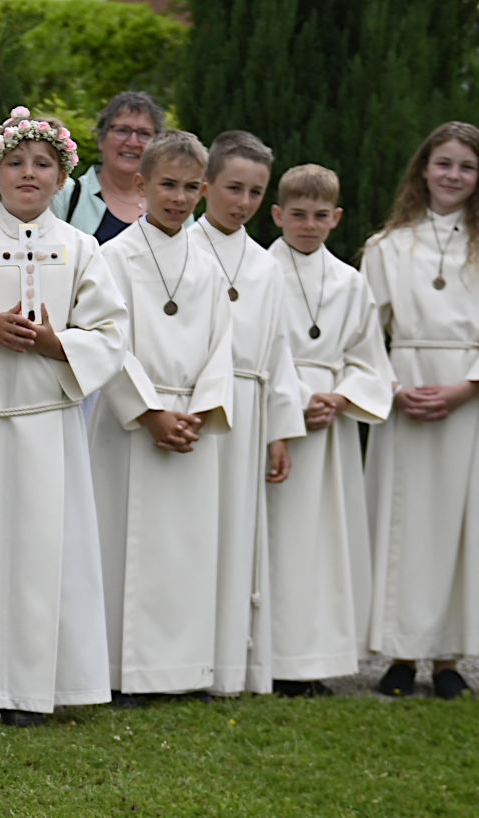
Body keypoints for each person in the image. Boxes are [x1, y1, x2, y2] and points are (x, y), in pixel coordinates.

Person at [0, 107, 125, 727]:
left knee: (44, 558)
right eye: (15, 162)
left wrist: (55, 343)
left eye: (43, 164)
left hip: (48, 427)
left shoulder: (81, 248)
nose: (29, 173)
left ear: (62, 177)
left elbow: (111, 334)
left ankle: (34, 690)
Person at [364, 122, 479, 699]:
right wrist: (392, 386)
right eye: (443, 163)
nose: (453, 175)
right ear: (423, 168)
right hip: (408, 395)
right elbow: (363, 332)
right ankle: (400, 654)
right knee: (404, 523)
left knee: (465, 525)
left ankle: (448, 659)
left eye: (466, 166)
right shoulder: (387, 246)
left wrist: (470, 387)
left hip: (471, 399)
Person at [93, 130, 235, 706]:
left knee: (187, 550)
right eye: (167, 185)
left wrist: (199, 409)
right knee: (125, 546)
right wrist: (149, 411)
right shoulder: (113, 257)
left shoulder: (209, 264)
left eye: (189, 187)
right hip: (133, 421)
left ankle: (181, 670)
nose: (178, 198)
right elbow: (107, 340)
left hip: (191, 422)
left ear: (204, 189)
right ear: (141, 184)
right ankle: (121, 672)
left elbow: (223, 344)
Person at [265, 164, 394, 697]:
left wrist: (339, 397)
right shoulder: (259, 272)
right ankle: (267, 656)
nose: (309, 225)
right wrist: (298, 398)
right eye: (298, 214)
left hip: (329, 426)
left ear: (337, 218)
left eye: (320, 216)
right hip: (276, 416)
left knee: (321, 543)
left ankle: (311, 658)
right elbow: (256, 348)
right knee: (278, 538)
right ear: (278, 214)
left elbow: (369, 359)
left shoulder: (350, 281)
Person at [189, 131, 304, 698]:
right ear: (206, 184)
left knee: (236, 535)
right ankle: (183, 657)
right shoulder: (184, 249)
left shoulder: (266, 266)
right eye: (233, 188)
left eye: (256, 192)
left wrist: (280, 430)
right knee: (193, 531)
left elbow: (279, 352)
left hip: (249, 407)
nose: (243, 202)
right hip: (196, 404)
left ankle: (227, 664)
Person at [50, 91, 166, 243]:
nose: (132, 142)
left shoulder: (171, 202)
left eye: (144, 133)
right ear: (101, 139)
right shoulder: (64, 195)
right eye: (122, 130)